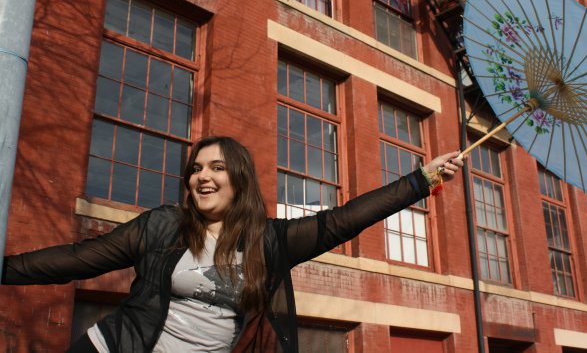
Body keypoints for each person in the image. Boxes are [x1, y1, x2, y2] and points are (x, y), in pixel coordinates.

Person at [2, 136, 464, 353]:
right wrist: (5, 269)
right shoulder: (163, 226)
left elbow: (342, 221)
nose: (202, 176)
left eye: (217, 168)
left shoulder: (270, 241)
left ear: (239, 179)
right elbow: (78, 259)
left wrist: (421, 180)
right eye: (196, 168)